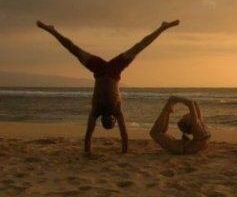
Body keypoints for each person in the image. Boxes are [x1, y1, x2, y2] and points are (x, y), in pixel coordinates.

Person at [36, 19, 180, 154]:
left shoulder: (95, 111)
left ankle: (51, 30)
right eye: (110, 122)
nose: (108, 120)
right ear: (114, 120)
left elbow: (88, 134)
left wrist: (88, 151)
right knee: (138, 47)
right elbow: (124, 134)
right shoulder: (117, 111)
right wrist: (124, 151)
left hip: (98, 70)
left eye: (106, 123)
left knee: (74, 49)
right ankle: (162, 27)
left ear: (102, 121)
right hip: (114, 71)